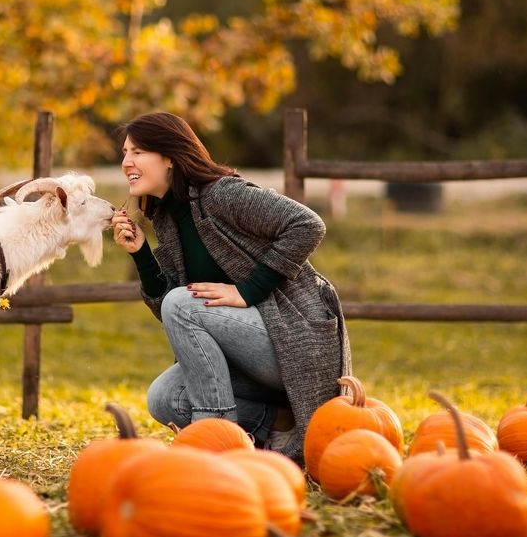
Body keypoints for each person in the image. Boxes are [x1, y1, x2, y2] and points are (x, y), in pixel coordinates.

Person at [111, 111, 350, 465]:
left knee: (181, 302)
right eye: (125, 152)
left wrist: (248, 291)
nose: (127, 162)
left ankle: (216, 442)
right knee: (165, 398)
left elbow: (307, 224)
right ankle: (277, 423)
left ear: (171, 158)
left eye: (138, 152)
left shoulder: (221, 194)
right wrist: (141, 254)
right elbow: (174, 314)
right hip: (249, 355)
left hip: (293, 340)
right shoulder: (168, 217)